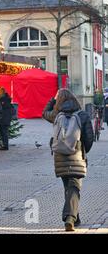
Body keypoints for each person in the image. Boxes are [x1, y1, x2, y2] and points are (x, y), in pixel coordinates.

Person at [42, 88, 94, 232]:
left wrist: (52, 100)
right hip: (76, 155)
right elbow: (89, 138)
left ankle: (75, 218)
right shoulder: (82, 115)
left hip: (60, 156)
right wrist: (83, 150)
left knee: (69, 187)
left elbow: (44, 113)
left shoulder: (56, 115)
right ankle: (70, 218)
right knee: (74, 187)